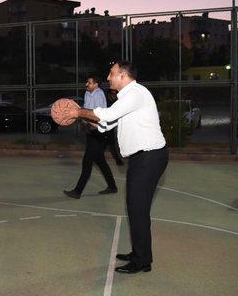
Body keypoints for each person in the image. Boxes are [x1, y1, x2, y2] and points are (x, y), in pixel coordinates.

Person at [73, 60, 168, 274]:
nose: (108, 77)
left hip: (150, 157)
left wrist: (79, 112)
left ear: (123, 76)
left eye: (111, 73)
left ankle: (142, 261)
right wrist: (84, 119)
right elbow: (106, 123)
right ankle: (140, 253)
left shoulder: (135, 94)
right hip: (143, 158)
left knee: (138, 209)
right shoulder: (127, 97)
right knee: (136, 208)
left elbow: (105, 115)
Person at [64, 75, 118, 199]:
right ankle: (112, 186)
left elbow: (98, 116)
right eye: (87, 82)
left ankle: (77, 191)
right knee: (100, 161)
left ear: (96, 84)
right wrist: (81, 118)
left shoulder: (99, 95)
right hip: (91, 131)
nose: (87, 85)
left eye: (89, 83)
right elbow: (85, 111)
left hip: (99, 132)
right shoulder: (88, 94)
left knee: (87, 161)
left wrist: (85, 118)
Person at [106, 88, 125, 165]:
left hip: (117, 125)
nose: (114, 96)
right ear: (109, 95)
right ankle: (117, 159)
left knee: (112, 142)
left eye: (115, 94)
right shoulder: (105, 102)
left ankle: (118, 159)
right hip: (107, 125)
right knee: (111, 143)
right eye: (112, 94)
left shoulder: (118, 101)